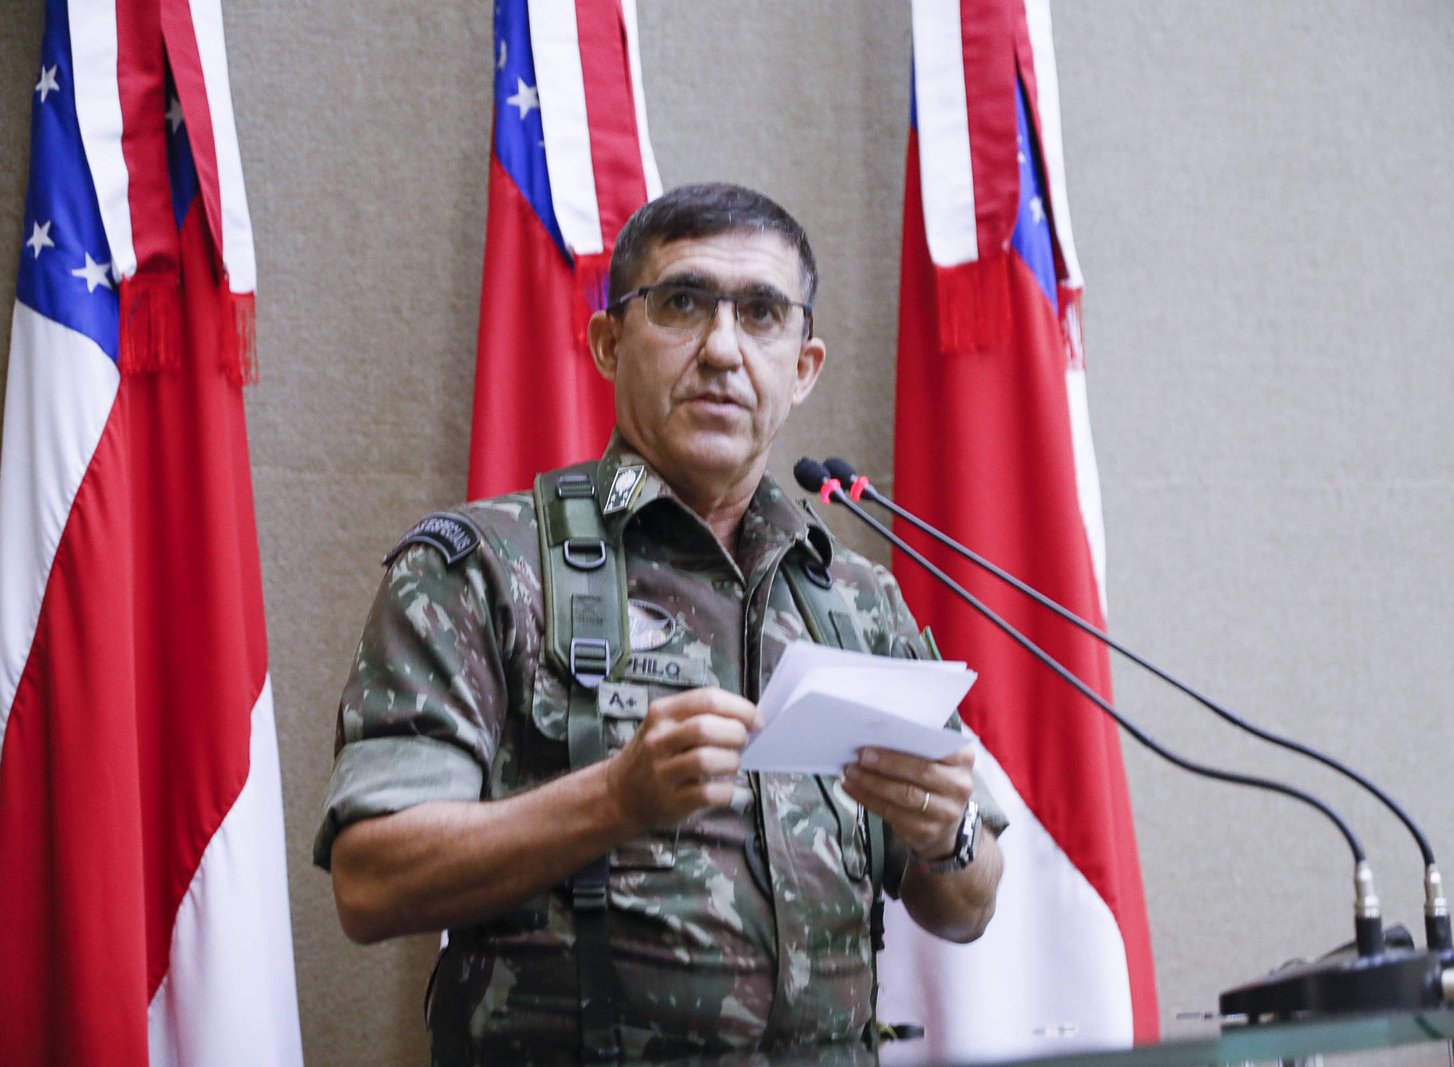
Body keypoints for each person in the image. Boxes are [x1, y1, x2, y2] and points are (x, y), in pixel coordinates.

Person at [314, 183, 1006, 1065]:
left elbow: (968, 905)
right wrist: (616, 797)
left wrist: (945, 831)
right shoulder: (485, 565)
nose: (722, 349)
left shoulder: (858, 601)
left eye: (761, 313)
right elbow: (370, 882)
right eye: (682, 303)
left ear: (803, 366)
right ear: (610, 342)